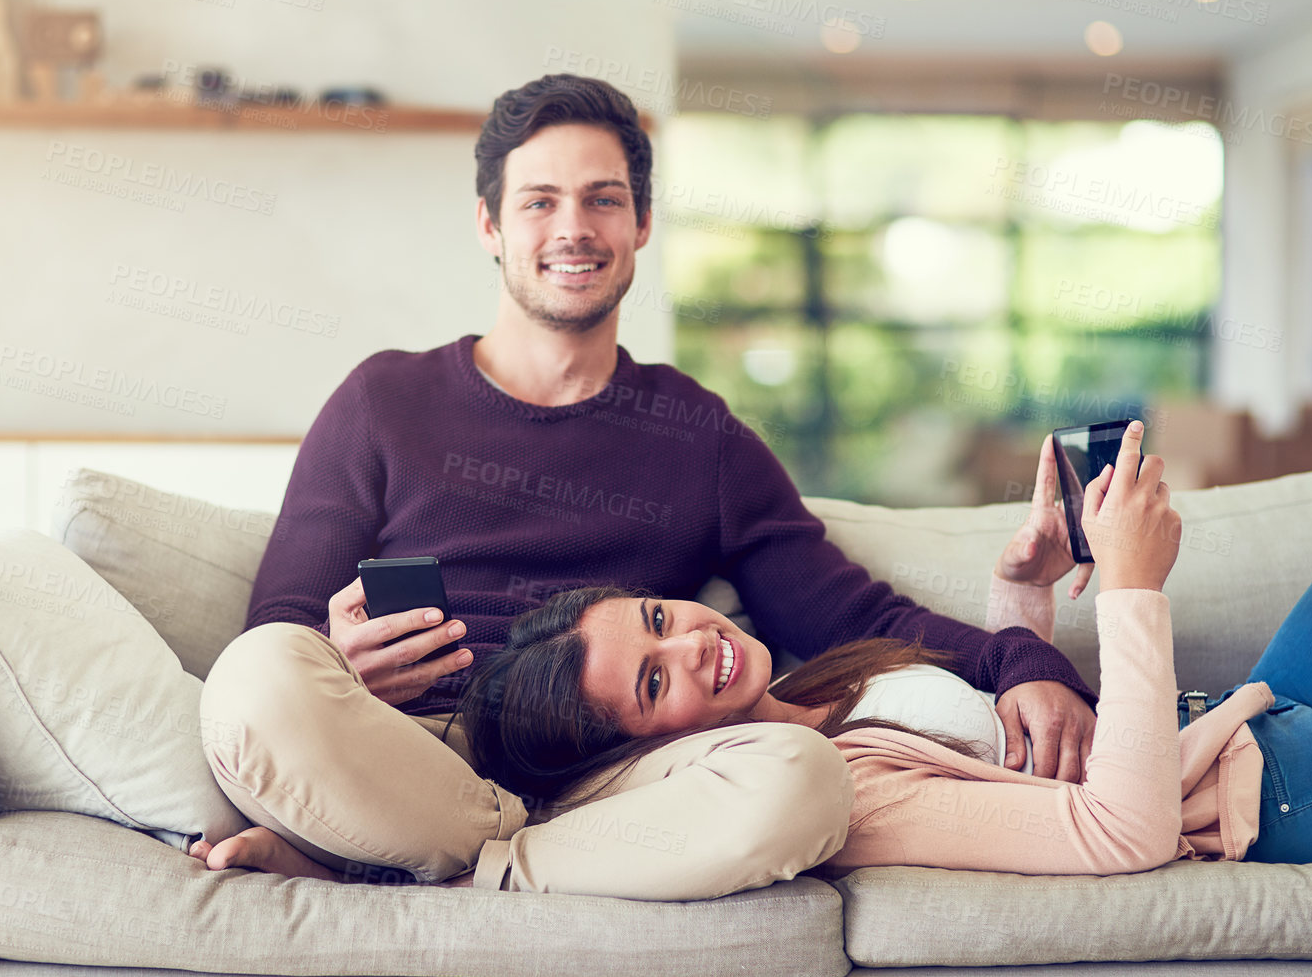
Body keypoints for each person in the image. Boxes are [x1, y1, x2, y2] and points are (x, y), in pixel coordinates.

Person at [193, 73, 1098, 882]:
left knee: (801, 777)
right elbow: (276, 628)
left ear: (641, 225)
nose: (572, 229)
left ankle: (429, 858)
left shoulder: (695, 432)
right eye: (539, 202)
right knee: (256, 676)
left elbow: (851, 619)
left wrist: (1022, 657)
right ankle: (474, 845)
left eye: (602, 200)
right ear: (490, 225)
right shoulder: (383, 399)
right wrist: (340, 663)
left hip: (614, 780)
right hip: (410, 743)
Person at [443, 421, 1312, 897]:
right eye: (654, 681)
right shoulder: (842, 789)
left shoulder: (800, 693)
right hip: (1270, 796)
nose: (694, 644)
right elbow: (1117, 832)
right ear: (639, 759)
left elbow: (1019, 754)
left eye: (660, 618)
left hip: (1248, 715)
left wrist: (1023, 601)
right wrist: (1131, 584)